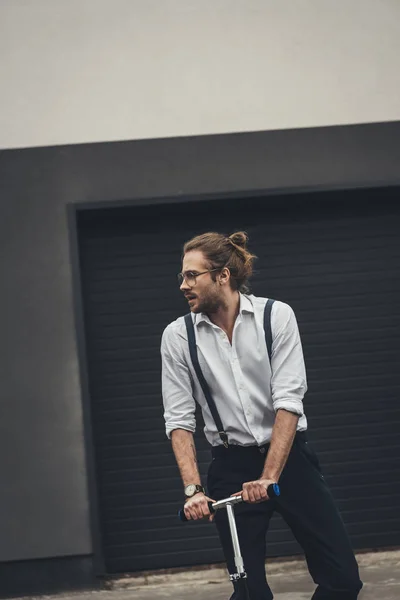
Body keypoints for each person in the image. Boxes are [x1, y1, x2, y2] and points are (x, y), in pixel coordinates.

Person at [161, 231, 362, 600]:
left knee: (343, 579)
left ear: (223, 275)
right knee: (249, 593)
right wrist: (193, 490)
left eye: (192, 275)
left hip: (290, 462)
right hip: (230, 466)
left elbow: (288, 400)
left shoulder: (276, 316)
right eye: (182, 276)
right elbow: (179, 418)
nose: (183, 285)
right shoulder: (177, 336)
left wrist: (269, 476)